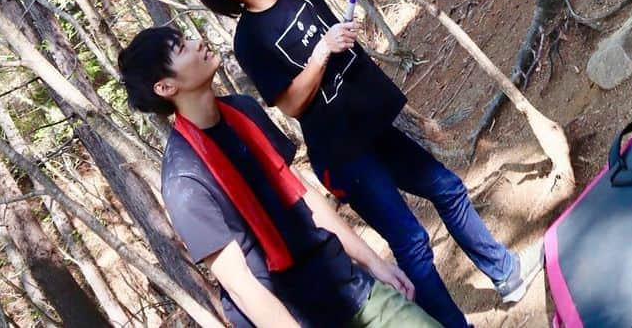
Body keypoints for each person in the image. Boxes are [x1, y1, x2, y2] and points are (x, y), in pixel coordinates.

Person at [188, 0, 545, 326]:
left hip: (372, 123)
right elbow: (290, 103)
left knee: (447, 188)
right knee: (410, 240)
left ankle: (507, 274)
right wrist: (321, 53)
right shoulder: (250, 41)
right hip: (342, 154)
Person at [120, 23, 441, 327]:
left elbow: (302, 195)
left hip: (344, 283)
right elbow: (241, 285)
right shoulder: (184, 180)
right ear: (165, 87)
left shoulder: (243, 110)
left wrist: (373, 261)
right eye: (181, 47)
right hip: (291, 314)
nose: (197, 42)